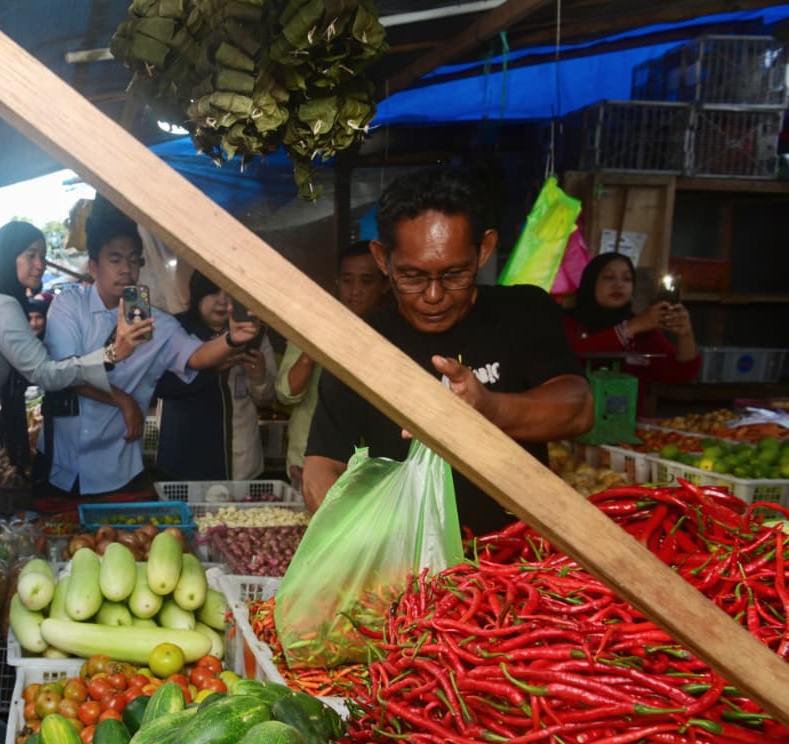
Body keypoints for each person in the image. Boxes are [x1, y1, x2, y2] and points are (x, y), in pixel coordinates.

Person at [304, 167, 593, 535]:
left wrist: (489, 408)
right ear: (382, 259)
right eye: (412, 277)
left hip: (516, 563)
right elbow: (322, 466)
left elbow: (578, 408)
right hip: (409, 572)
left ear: (484, 250)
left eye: (455, 274)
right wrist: (362, 549)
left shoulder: (524, 312)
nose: (434, 295)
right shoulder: (360, 344)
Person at [42, 210, 262, 498]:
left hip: (118, 467)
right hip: (63, 463)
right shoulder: (69, 305)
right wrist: (120, 391)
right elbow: (61, 371)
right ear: (94, 267)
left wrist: (231, 339)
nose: (126, 269)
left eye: (134, 260)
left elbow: (196, 356)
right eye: (115, 259)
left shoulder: (155, 321)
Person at [0, 220, 145, 475]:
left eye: (42, 256)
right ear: (8, 256)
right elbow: (44, 373)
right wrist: (110, 355)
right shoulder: (0, 304)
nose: (40, 264)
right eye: (30, 255)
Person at [277, 241, 389, 489]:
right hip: (309, 462)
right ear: (337, 281)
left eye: (366, 281)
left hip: (371, 470)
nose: (355, 290)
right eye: (348, 280)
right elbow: (286, 393)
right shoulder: (312, 326)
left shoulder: (390, 334)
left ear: (384, 285)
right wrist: (312, 350)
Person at [155, 272, 278, 482]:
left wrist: (258, 377)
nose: (222, 300)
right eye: (212, 292)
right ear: (197, 294)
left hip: (237, 458)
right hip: (181, 448)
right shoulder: (176, 328)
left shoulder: (254, 333)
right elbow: (160, 386)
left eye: (231, 294)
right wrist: (209, 369)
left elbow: (267, 398)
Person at [564, 251, 699, 401]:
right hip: (574, 421)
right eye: (609, 277)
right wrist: (629, 328)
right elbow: (569, 361)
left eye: (627, 279)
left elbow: (681, 374)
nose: (619, 285)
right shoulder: (567, 323)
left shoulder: (643, 330)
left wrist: (685, 334)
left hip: (626, 423)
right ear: (590, 283)